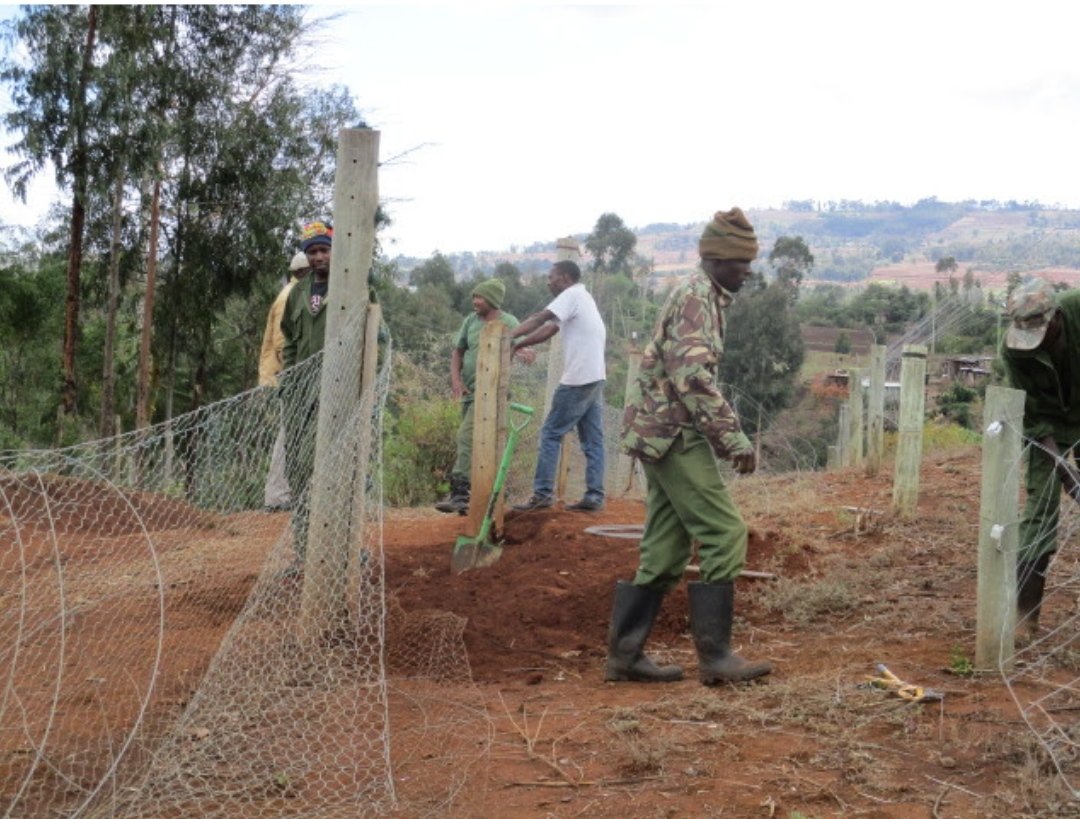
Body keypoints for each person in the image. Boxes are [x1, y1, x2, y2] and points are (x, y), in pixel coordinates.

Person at [609, 207, 772, 685]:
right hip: (674, 433)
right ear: (717, 258)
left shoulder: (704, 294)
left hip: (658, 432)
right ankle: (716, 657)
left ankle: (624, 657)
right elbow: (693, 377)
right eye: (741, 261)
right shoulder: (699, 297)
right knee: (725, 532)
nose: (747, 270)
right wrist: (733, 438)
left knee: (665, 548)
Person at [1000, 278, 1080, 639]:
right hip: (1048, 425)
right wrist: (1065, 472)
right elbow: (1032, 415)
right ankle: (1023, 618)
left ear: (1057, 316)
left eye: (1043, 332)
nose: (1038, 341)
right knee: (1040, 511)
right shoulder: (1015, 351)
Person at [510, 260, 607, 512]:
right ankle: (594, 496)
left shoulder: (571, 294)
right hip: (595, 376)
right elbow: (550, 329)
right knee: (593, 439)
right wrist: (518, 345)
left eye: (551, 277)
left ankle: (542, 495)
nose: (548, 281)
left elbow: (540, 319)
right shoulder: (582, 298)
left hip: (578, 378)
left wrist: (507, 337)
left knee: (551, 433)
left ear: (564, 278)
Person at [435, 278, 533, 514]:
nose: (475, 302)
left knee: (467, 438)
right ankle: (474, 502)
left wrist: (525, 353)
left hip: (492, 394)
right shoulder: (471, 321)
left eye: (479, 297)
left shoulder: (509, 322)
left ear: (493, 300)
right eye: (473, 297)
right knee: (476, 443)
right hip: (469, 394)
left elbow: (522, 347)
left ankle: (461, 493)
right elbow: (458, 352)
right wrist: (456, 381)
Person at [279, 220, 333, 565]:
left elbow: (376, 337)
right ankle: (304, 552)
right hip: (300, 395)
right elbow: (289, 340)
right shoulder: (298, 293)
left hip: (337, 392)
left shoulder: (351, 285)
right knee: (299, 470)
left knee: (335, 470)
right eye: (311, 252)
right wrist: (288, 381)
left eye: (323, 250)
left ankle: (340, 547)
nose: (317, 258)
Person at [259, 250, 311, 511]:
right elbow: (282, 342)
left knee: (295, 433)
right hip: (287, 378)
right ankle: (278, 496)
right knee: (288, 433)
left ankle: (288, 492)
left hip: (290, 377)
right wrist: (294, 375)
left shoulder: (297, 293)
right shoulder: (290, 296)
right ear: (304, 271)